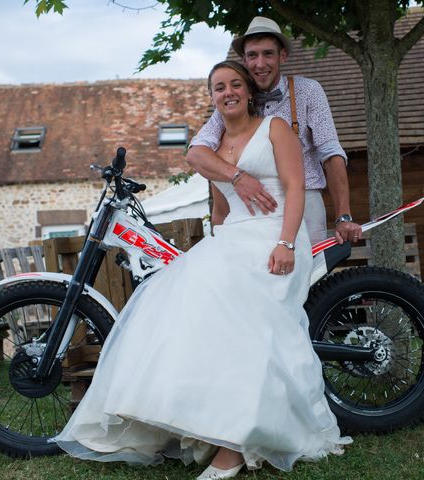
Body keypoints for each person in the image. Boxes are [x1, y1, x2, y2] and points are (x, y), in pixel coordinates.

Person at [54, 60, 351, 479]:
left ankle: (233, 444)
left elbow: (296, 186)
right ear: (211, 98)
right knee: (179, 296)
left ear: (248, 92)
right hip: (233, 238)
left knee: (243, 315)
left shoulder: (276, 128)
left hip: (276, 235)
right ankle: (199, 420)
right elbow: (221, 208)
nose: (227, 92)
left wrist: (286, 243)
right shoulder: (214, 149)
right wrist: (216, 242)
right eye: (218, 88)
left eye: (234, 85)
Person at [188, 16, 362, 245]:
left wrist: (343, 216)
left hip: (305, 205)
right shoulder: (234, 101)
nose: (260, 64)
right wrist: (237, 177)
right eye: (252, 55)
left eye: (268, 54)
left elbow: (330, 154)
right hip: (254, 211)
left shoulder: (308, 91)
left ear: (282, 56)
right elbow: (196, 152)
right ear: (244, 59)